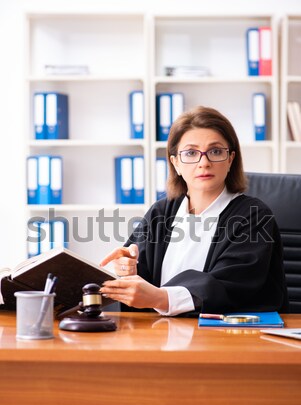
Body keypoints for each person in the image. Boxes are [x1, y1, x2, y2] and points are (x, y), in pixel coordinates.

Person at [100, 106, 288, 316]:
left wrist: (160, 297)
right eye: (191, 153)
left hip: (226, 336)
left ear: (230, 159)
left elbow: (230, 286)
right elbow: (142, 285)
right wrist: (129, 272)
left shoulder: (254, 215)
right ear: (176, 163)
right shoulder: (160, 213)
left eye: (215, 151)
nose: (204, 163)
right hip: (161, 334)